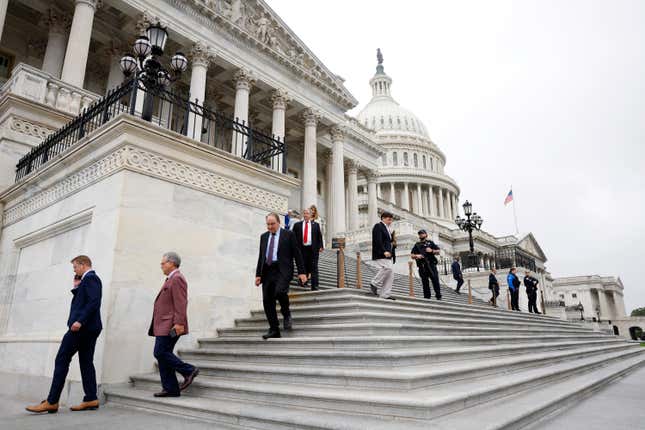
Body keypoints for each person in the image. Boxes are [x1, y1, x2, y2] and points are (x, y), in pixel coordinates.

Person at [26, 256, 103, 414]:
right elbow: (86, 300)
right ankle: (91, 398)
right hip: (89, 328)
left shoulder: (91, 279)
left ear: (83, 265)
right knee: (86, 362)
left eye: (75, 267)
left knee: (62, 359)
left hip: (82, 328)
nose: (74, 270)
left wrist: (80, 321)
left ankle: (52, 401)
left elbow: (94, 302)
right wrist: (77, 287)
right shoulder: (86, 280)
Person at [148, 252, 199, 398]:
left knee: (160, 352)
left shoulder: (177, 279)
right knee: (164, 355)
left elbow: (181, 303)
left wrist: (178, 323)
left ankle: (189, 370)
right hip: (163, 324)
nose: (161, 265)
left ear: (172, 263)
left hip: (170, 325)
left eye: (163, 263)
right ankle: (170, 388)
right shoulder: (170, 279)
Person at [255, 212, 307, 339]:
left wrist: (302, 272)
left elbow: (297, 253)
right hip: (267, 270)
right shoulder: (264, 236)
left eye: (272, 224)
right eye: (268, 224)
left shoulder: (288, 235)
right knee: (267, 301)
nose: (270, 227)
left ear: (279, 222)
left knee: (279, 292)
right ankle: (274, 329)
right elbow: (261, 256)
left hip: (282, 270)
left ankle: (286, 313)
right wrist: (258, 274)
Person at [292, 208, 323, 291]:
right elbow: (293, 237)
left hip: (313, 250)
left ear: (310, 215)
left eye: (307, 213)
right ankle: (303, 282)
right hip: (301, 249)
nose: (306, 215)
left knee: (314, 268)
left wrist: (321, 246)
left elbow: (319, 237)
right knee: (303, 265)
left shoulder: (315, 225)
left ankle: (315, 286)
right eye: (304, 213)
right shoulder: (297, 225)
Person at [369, 211, 396, 300]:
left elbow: (388, 242)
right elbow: (377, 240)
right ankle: (374, 283)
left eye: (391, 220)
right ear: (383, 218)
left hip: (388, 254)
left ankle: (385, 294)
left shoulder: (388, 229)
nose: (390, 222)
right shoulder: (378, 226)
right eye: (389, 219)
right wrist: (383, 251)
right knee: (388, 268)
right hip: (381, 253)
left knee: (391, 274)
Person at [410, 229, 442, 300]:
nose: (421, 235)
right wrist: (417, 256)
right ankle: (427, 297)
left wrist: (432, 251)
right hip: (422, 266)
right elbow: (412, 255)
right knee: (425, 282)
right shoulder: (417, 245)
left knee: (435, 280)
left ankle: (438, 295)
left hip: (431, 265)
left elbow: (438, 251)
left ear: (426, 235)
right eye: (420, 234)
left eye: (422, 233)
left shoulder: (430, 243)